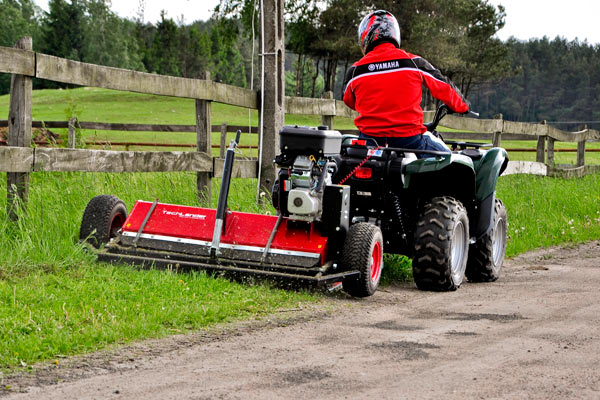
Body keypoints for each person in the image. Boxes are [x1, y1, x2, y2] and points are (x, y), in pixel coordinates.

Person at [343, 10, 469, 157]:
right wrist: (462, 107)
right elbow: (445, 88)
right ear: (394, 33)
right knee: (452, 161)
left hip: (370, 142)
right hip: (410, 140)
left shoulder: (355, 71)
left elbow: (349, 101)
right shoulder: (413, 63)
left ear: (365, 36)